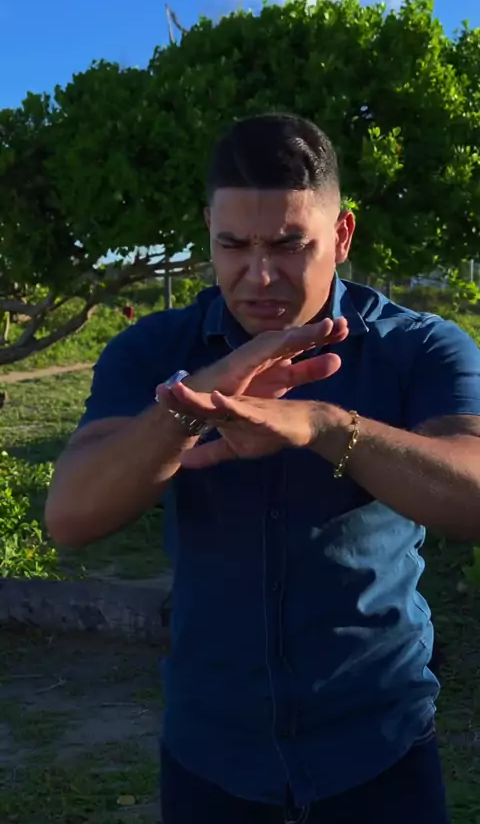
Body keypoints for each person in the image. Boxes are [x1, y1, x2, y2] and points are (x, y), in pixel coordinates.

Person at [45, 113, 480, 824]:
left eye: (288, 244)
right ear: (208, 233)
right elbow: (70, 515)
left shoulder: (420, 346)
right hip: (213, 753)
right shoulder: (153, 349)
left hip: (379, 746)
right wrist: (192, 405)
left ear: (342, 235)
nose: (259, 275)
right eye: (233, 246)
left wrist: (324, 427)